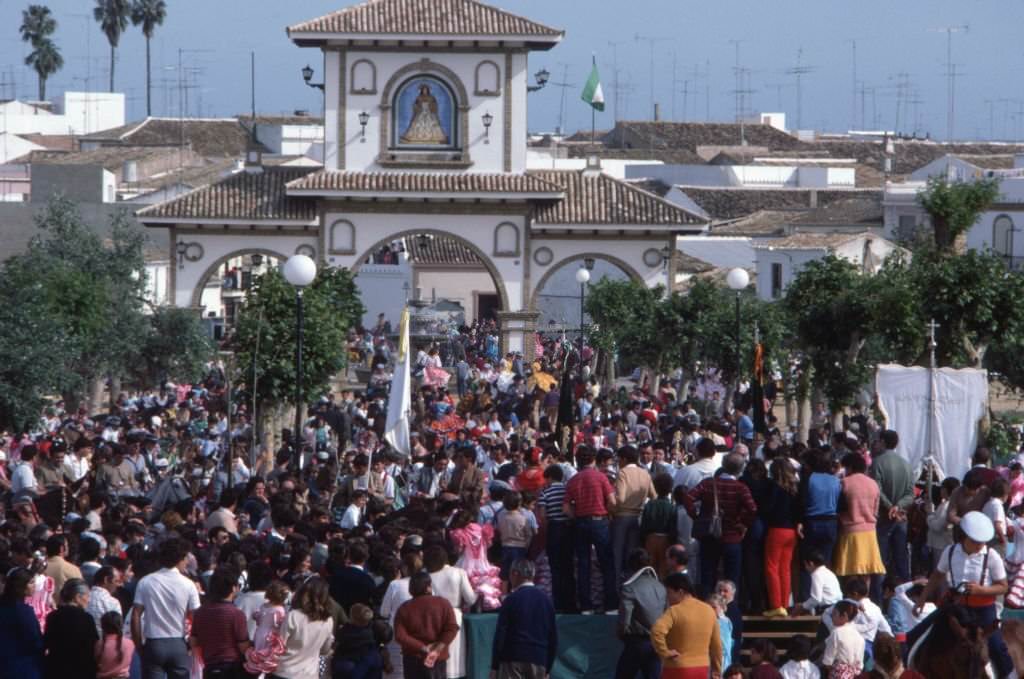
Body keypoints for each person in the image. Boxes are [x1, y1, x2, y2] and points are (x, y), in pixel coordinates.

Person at [913, 510, 1013, 678]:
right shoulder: (950, 552)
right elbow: (937, 575)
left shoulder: (992, 556)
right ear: (965, 537)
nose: (980, 545)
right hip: (955, 609)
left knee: (997, 647)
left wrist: (981, 590)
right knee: (918, 635)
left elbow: (1003, 587)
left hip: (983, 610)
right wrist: (922, 599)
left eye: (982, 542)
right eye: (976, 542)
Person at [684, 453, 757, 596]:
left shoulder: (708, 483)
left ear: (723, 465)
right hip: (732, 537)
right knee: (732, 580)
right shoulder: (741, 488)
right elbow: (752, 509)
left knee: (707, 576)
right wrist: (743, 523)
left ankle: (707, 610)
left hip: (710, 535)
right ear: (740, 469)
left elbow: (688, 498)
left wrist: (696, 516)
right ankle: (730, 610)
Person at [131, 538, 201, 679]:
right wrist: (192, 643)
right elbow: (197, 618)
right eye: (185, 558)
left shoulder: (146, 582)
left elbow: (136, 615)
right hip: (178, 644)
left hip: (153, 643)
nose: (187, 562)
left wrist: (139, 645)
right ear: (179, 559)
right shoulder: (188, 584)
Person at [563, 446, 618, 613]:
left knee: (583, 564)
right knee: (607, 564)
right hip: (599, 520)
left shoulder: (573, 480)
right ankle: (611, 605)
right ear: (593, 460)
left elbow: (565, 507)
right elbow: (612, 501)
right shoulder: (601, 477)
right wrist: (609, 514)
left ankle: (586, 606)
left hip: (581, 522)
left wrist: (576, 515)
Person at [490, 560, 557, 679]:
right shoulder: (547, 602)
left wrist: (495, 666)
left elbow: (500, 635)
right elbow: (553, 638)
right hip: (539, 659)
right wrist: (548, 668)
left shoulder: (510, 600)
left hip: (513, 658)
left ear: (515, 573)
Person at [868, 431, 914, 601]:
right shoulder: (906, 464)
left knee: (880, 560)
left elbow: (876, 490)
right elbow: (911, 493)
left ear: (882, 442)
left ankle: (879, 601)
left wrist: (889, 507)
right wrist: (898, 507)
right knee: (902, 559)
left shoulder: (877, 463)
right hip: (901, 518)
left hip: (883, 518)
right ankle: (905, 599)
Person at [650, 573, 723, 679]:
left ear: (680, 592)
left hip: (677, 668)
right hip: (702, 668)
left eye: (669, 593)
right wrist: (716, 671)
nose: (667, 598)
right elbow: (717, 646)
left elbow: (656, 631)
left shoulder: (674, 611)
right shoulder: (709, 610)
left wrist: (664, 652)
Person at [394, 572, 459, 679]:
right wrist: (437, 649)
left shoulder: (404, 608)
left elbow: (400, 636)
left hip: (413, 660)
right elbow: (452, 628)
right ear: (428, 587)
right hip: (437, 659)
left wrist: (423, 648)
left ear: (411, 589)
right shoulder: (443, 603)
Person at [424, 544, 476, 679]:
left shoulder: (426, 575)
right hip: (455, 615)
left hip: (433, 616)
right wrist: (480, 591)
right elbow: (470, 599)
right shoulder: (458, 572)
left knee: (437, 656)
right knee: (455, 660)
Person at [833, 453, 885, 586]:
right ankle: (865, 599)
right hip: (870, 532)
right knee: (866, 571)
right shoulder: (873, 484)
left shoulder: (844, 483)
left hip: (850, 531)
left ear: (850, 467)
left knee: (850, 571)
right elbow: (876, 510)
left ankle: (852, 600)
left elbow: (839, 507)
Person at [190, 568, 250, 679]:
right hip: (232, 669)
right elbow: (243, 647)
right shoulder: (236, 614)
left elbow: (194, 642)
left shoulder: (200, 612)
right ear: (233, 588)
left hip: (209, 667)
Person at [616, 549, 666, 679]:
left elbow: (624, 619)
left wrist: (622, 633)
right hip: (657, 642)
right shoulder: (660, 586)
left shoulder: (629, 587)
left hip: (637, 641)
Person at [612, 445, 656, 586]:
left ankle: (617, 588)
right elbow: (653, 496)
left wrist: (611, 508)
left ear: (624, 459)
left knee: (617, 555)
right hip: (638, 516)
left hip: (622, 516)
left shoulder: (622, 473)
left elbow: (621, 498)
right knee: (632, 554)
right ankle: (631, 585)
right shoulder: (645, 473)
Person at [275, 578, 335, 679]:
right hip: (309, 673)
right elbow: (325, 649)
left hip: (285, 671)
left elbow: (279, 646)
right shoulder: (328, 620)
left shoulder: (293, 616)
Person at [763, 457, 801, 618]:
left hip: (776, 529)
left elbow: (768, 508)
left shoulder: (773, 487)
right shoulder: (794, 488)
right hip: (791, 531)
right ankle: (785, 603)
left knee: (772, 567)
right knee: (785, 569)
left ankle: (776, 604)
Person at [536, 464, 574, 613]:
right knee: (568, 567)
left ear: (550, 477)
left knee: (556, 568)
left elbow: (543, 516)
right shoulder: (567, 489)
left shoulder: (545, 492)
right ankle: (570, 602)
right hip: (567, 529)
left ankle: (558, 603)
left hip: (554, 529)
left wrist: (548, 529)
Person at [43, 578, 98, 679]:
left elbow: (47, 642)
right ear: (77, 597)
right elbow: (93, 646)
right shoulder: (86, 618)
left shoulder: (53, 616)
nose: (88, 600)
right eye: (87, 596)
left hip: (56, 669)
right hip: (80, 670)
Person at [0, 568, 44, 679]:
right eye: (31, 582)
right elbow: (34, 640)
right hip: (23, 666)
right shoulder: (23, 612)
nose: (34, 585)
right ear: (20, 586)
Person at [243, 581, 290, 677]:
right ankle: (264, 672)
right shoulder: (280, 610)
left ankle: (258, 671)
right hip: (271, 636)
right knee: (268, 656)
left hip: (260, 633)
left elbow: (258, 619)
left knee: (259, 652)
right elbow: (280, 625)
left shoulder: (264, 606)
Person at [640, 473, 677, 580]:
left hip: (650, 539)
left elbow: (644, 525)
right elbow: (673, 528)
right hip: (666, 539)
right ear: (670, 489)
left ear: (655, 487)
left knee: (650, 569)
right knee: (664, 571)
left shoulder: (649, 505)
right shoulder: (671, 507)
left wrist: (643, 540)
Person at [822, 600, 864, 679]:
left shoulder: (836, 633)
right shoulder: (860, 637)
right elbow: (860, 666)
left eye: (834, 614)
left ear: (844, 615)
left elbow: (827, 661)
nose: (832, 617)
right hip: (853, 675)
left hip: (837, 674)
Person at [793, 550, 842, 615]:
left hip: (827, 610)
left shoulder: (816, 574)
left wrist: (802, 606)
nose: (806, 568)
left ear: (811, 563)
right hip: (838, 607)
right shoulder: (829, 572)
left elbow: (816, 599)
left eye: (805, 565)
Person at [95, 612, 134, 679]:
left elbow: (96, 661)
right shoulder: (130, 644)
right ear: (121, 624)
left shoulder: (99, 644)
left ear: (102, 626)